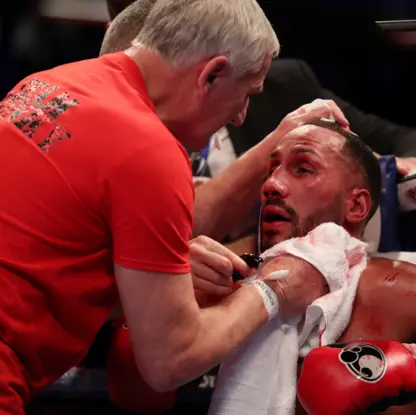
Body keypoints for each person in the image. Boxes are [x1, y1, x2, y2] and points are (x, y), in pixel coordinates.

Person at [0, 0, 344, 412]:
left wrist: (154, 273)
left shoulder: (45, 85)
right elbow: (169, 360)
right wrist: (273, 290)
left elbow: (51, 254)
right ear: (212, 74)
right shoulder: (148, 150)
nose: (240, 118)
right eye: (247, 94)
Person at [106, 119, 416, 414]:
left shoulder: (396, 287)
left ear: (357, 206)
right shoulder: (225, 283)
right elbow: (133, 399)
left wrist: (410, 368)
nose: (272, 185)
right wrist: (163, 311)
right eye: (271, 171)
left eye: (301, 169)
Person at [103, 0, 416, 226]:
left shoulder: (281, 85)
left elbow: (409, 140)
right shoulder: (102, 121)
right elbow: (169, 232)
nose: (240, 115)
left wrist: (408, 170)